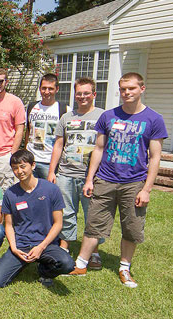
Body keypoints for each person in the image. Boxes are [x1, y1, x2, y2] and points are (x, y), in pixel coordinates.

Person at [68, 73, 167, 288]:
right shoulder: (109, 116)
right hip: (105, 179)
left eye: (131, 88)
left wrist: (147, 190)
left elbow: (155, 157)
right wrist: (90, 179)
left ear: (142, 88)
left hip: (134, 182)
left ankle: (124, 268)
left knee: (131, 227)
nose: (126, 93)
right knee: (94, 223)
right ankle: (81, 264)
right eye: (123, 89)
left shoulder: (154, 119)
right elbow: (99, 148)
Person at [0, 150, 74, 288]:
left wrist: (41, 247)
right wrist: (14, 248)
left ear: (33, 166)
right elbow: (8, 225)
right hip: (21, 245)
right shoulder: (10, 194)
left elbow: (58, 224)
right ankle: (21, 263)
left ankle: (44, 270)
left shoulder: (51, 189)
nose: (19, 171)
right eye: (15, 168)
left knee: (67, 264)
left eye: (23, 166)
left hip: (46, 245)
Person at [47, 78, 105, 264]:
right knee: (66, 212)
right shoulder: (67, 117)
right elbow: (58, 145)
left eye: (86, 93)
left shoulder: (103, 116)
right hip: (66, 173)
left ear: (94, 94)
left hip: (93, 176)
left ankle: (94, 252)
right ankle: (65, 246)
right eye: (79, 93)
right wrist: (51, 171)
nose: (82, 97)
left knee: (92, 214)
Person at [24, 74, 70, 179]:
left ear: (57, 89)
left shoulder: (64, 109)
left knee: (49, 193)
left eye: (51, 88)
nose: (46, 92)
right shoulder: (31, 107)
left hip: (50, 163)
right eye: (44, 88)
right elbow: (28, 131)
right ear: (40, 89)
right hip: (31, 160)